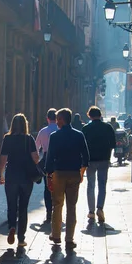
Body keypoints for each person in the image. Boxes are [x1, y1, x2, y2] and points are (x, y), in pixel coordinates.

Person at [45, 108, 90, 251]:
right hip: (74, 173)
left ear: (62, 120)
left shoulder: (54, 136)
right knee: (72, 206)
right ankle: (69, 239)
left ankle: (56, 235)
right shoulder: (79, 135)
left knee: (57, 204)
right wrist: (81, 173)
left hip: (59, 173)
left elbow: (49, 158)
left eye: (58, 119)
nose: (56, 121)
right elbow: (86, 157)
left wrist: (49, 175)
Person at [0, 114, 39, 252]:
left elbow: (3, 158)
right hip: (26, 178)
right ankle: (21, 239)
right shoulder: (29, 139)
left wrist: (1, 174)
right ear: (25, 125)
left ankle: (11, 227)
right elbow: (35, 158)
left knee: (11, 204)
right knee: (23, 207)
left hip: (11, 177)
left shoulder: (7, 138)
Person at [81, 106, 116, 223]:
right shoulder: (108, 127)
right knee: (102, 185)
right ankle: (100, 208)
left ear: (89, 116)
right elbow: (113, 144)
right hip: (104, 160)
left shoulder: (86, 128)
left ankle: (91, 211)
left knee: (91, 185)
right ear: (100, 115)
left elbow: (82, 146)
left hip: (90, 161)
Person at [35, 108, 58, 221]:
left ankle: (49, 211)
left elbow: (36, 148)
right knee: (59, 185)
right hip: (58, 160)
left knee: (47, 186)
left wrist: (37, 162)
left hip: (46, 158)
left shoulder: (43, 131)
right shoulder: (60, 130)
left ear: (47, 118)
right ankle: (57, 209)